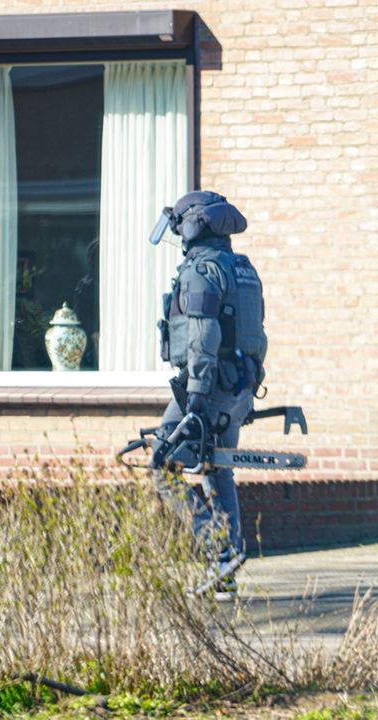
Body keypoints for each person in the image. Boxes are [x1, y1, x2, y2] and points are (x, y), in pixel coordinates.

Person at [151, 190, 268, 602]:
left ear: (193, 226)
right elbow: (255, 334)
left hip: (206, 387)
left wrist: (196, 399)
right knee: (217, 468)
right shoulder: (242, 268)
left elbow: (202, 337)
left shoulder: (200, 270)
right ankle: (225, 571)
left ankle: (218, 548)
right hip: (237, 386)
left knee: (161, 465)